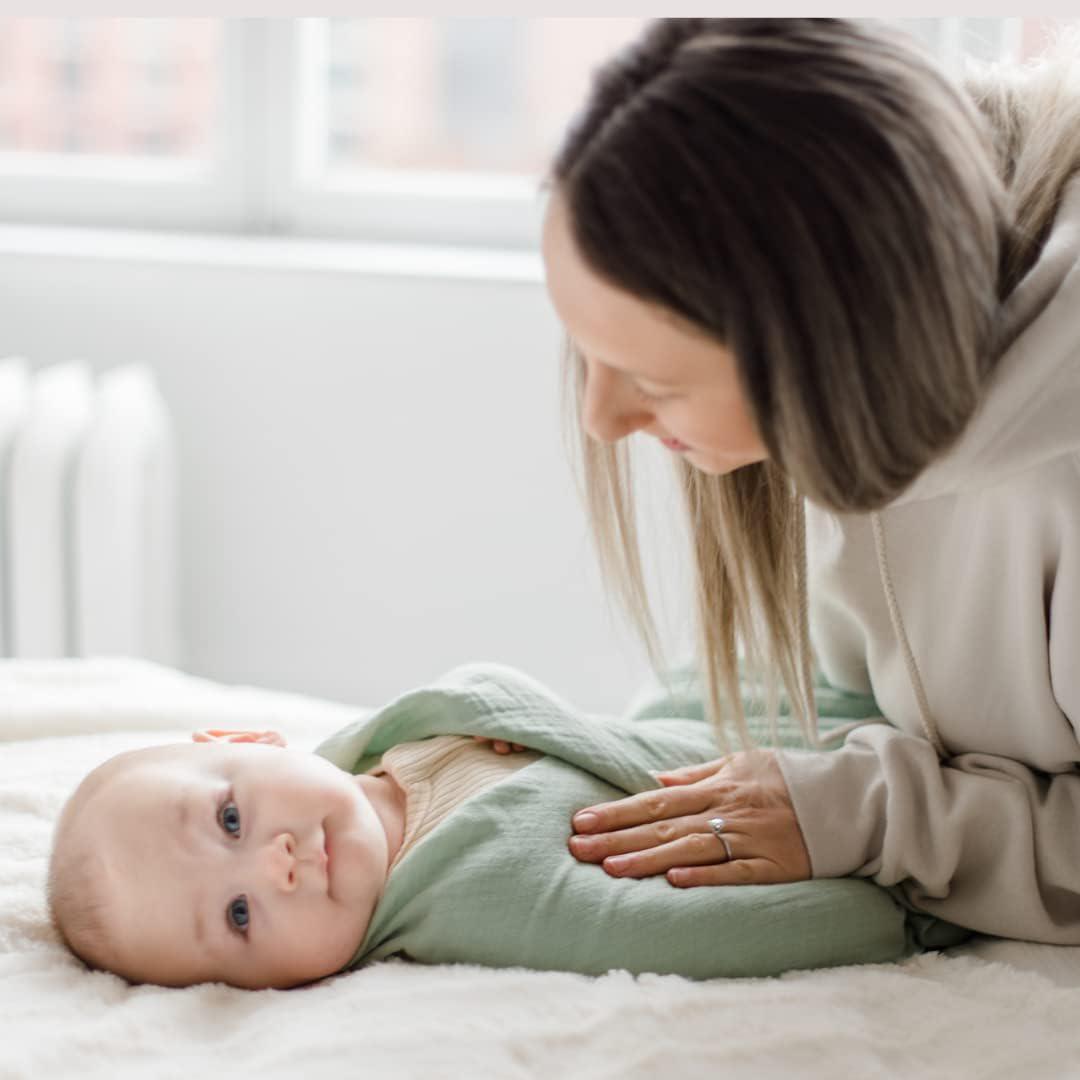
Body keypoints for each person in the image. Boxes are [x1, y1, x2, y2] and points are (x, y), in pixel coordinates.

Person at [543, 17, 1080, 941]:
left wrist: (876, 816)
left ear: (824, 347)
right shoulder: (887, 373)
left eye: (655, 384)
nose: (604, 422)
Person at [45, 662, 965, 990]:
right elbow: (698, 931)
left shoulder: (383, 741)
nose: (277, 866)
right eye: (240, 918)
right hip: (872, 796)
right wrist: (890, 903)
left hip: (787, 698)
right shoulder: (482, 899)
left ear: (243, 737)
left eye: (233, 816)